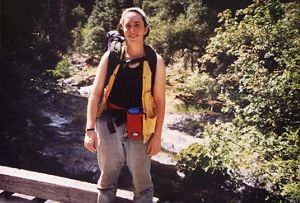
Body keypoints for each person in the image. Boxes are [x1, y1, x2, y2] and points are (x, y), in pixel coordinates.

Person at [83, 7, 166, 203]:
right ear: (121, 29)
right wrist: (89, 129)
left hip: (141, 125)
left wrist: (157, 136)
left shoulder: (155, 61)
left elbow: (160, 101)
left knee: (142, 183)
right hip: (109, 123)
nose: (133, 30)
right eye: (128, 26)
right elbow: (94, 95)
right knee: (107, 180)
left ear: (146, 29)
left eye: (137, 25)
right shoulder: (111, 57)